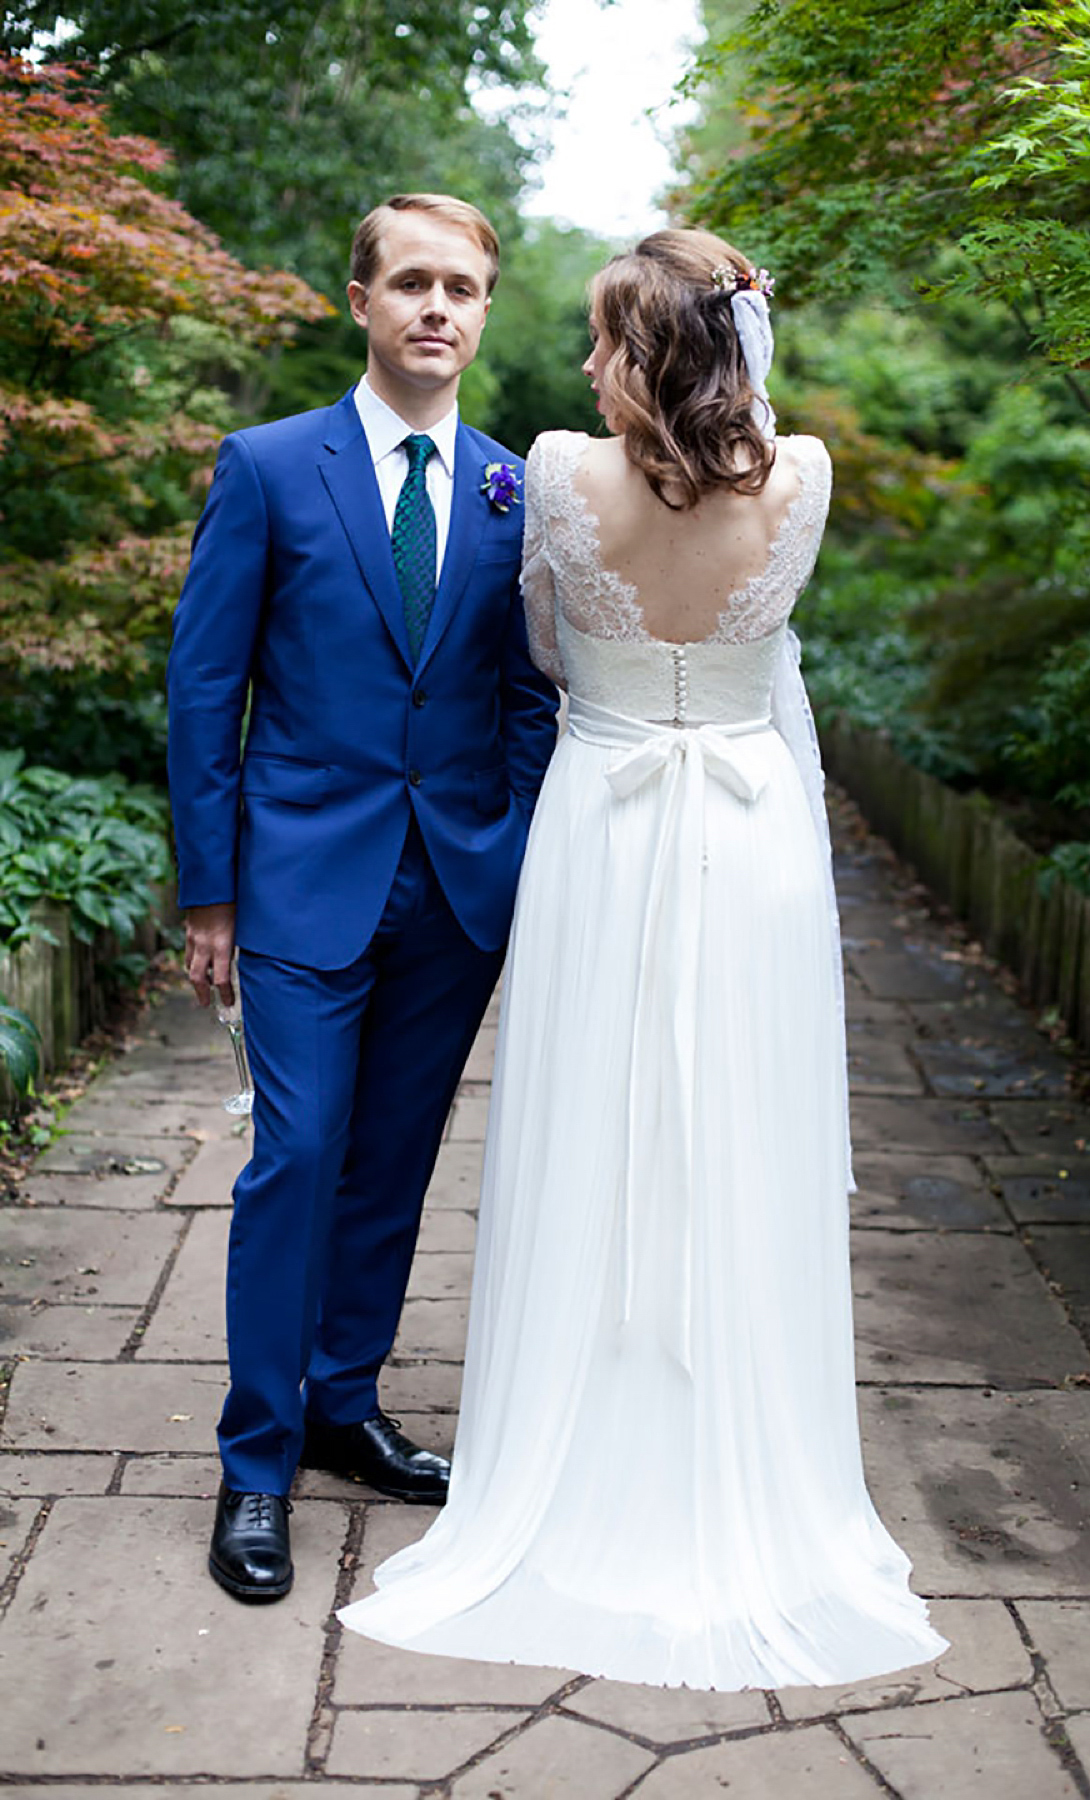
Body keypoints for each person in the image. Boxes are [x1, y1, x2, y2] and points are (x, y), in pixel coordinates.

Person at [338, 229, 948, 1689]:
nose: (590, 361)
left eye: (610, 335)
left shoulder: (554, 468)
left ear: (644, 352)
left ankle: (574, 1445)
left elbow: (545, 644)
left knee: (590, 1140)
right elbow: (767, 645)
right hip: (755, 857)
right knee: (738, 1142)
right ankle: (746, 1456)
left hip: (600, 845)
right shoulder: (799, 477)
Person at [166, 193, 559, 1603]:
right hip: (295, 883)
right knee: (300, 1155)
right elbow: (209, 683)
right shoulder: (271, 468)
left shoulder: (522, 490)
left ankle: (344, 1404)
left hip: (454, 891)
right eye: (411, 283)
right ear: (361, 300)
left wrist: (504, 853)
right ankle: (256, 1462)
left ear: (485, 310)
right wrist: (208, 891)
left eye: (461, 286)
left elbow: (531, 694)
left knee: (394, 1166)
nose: (436, 307)